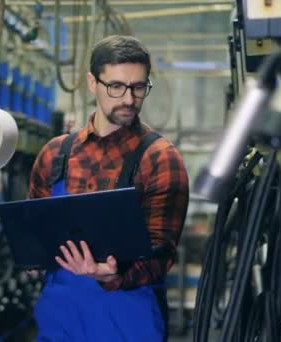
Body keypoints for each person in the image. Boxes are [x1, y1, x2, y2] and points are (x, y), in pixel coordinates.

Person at [28, 35, 189, 341]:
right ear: (93, 82)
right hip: (61, 322)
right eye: (116, 87)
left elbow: (161, 254)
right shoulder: (55, 154)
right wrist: (32, 262)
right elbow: (34, 236)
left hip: (128, 324)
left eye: (138, 87)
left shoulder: (160, 159)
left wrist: (113, 275)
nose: (128, 99)